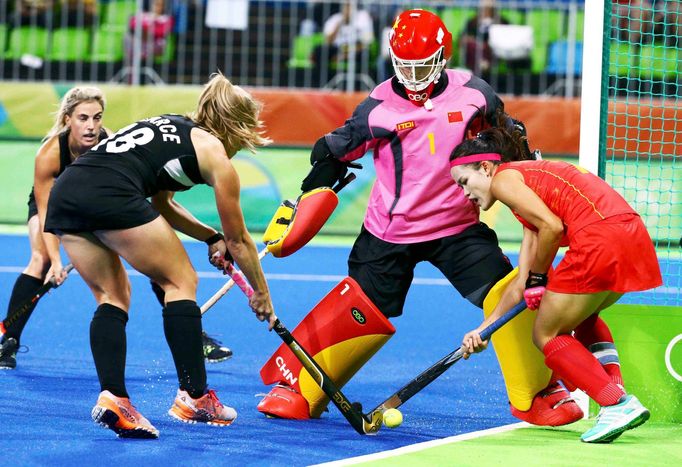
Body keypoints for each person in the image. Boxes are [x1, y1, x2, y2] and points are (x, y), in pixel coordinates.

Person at [256, 9, 583, 427]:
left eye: (422, 66)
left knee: (509, 292)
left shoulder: (474, 94)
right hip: (390, 232)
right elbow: (331, 150)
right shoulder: (376, 107)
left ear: (443, 56)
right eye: (403, 66)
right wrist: (307, 194)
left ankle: (538, 392)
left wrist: (526, 165)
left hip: (458, 227)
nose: (412, 76)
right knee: (361, 307)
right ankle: (298, 385)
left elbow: (507, 134)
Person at [43, 73, 276, 438]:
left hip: (69, 191)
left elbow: (163, 205)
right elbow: (240, 240)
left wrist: (209, 236)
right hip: (111, 192)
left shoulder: (172, 126)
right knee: (181, 280)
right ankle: (195, 397)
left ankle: (115, 398)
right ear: (236, 127)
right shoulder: (215, 154)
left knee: (112, 296)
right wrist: (261, 293)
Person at [450, 122, 661, 443]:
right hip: (631, 234)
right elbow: (521, 278)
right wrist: (485, 328)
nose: (465, 194)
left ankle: (617, 404)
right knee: (583, 316)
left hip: (599, 239)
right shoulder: (529, 188)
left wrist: (539, 278)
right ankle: (614, 390)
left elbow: (551, 227)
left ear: (485, 167)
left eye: (464, 182)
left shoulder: (505, 179)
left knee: (545, 333)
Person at [0, 87, 232, 370]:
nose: (91, 126)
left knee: (157, 262)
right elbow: (48, 212)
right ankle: (8, 341)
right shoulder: (50, 153)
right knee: (41, 260)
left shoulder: (110, 141)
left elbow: (135, 198)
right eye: (83, 118)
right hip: (53, 204)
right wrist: (57, 260)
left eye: (97, 118)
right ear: (67, 119)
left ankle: (196, 335)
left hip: (103, 203)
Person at [311, 1, 375, 86]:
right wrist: (340, 23)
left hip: (356, 49)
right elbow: (328, 41)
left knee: (365, 53)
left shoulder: (363, 17)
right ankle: (322, 85)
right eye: (346, 5)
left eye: (349, 5)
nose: (347, 8)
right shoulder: (335, 18)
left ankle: (357, 86)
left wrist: (344, 56)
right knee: (320, 50)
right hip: (338, 49)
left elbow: (367, 42)